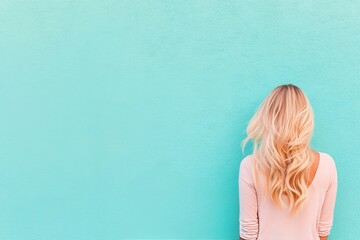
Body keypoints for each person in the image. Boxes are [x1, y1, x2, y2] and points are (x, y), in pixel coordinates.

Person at [238, 84, 338, 240]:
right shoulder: (327, 164)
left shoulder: (249, 165)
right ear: (305, 119)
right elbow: (323, 232)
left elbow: (248, 234)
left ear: (268, 117)